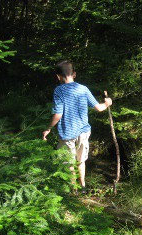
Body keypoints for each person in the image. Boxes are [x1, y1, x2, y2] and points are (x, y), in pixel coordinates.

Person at [42, 61, 112, 192]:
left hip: (67, 133)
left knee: (68, 163)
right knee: (81, 161)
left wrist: (48, 128)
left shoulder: (59, 91)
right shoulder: (83, 89)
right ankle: (83, 186)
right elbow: (99, 108)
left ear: (58, 76)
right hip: (84, 132)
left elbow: (58, 115)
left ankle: (73, 190)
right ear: (74, 74)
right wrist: (107, 103)